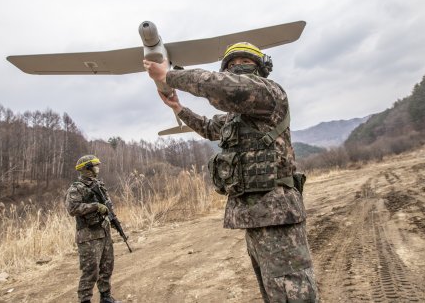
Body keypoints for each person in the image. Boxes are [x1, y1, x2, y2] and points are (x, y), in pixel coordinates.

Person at [144, 42, 320, 302]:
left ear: (260, 68)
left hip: (279, 215)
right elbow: (209, 127)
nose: (239, 68)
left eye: (244, 62)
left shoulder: (269, 94)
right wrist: (179, 109)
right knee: (275, 294)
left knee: (293, 295)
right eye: (232, 64)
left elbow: (224, 87)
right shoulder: (237, 118)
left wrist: (168, 76)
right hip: (256, 217)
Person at [65, 155, 121, 303]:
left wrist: (113, 219)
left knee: (107, 266)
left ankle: (106, 297)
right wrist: (95, 207)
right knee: (90, 271)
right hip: (88, 236)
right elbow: (72, 209)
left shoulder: (99, 185)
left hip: (104, 232)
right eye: (95, 165)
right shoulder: (76, 188)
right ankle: (85, 300)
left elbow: (107, 205)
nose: (98, 168)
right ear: (87, 168)